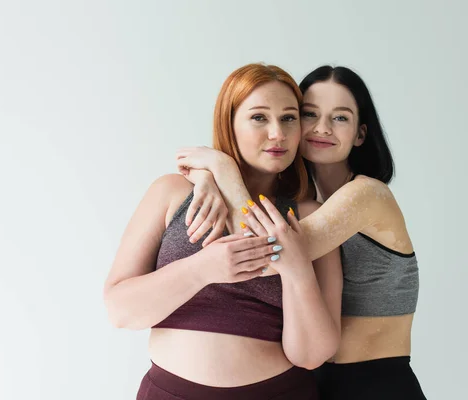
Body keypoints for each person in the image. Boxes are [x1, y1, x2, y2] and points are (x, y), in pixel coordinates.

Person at [176, 65, 427, 399]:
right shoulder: (308, 203)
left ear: (360, 134)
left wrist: (221, 167)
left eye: (340, 118)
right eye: (309, 114)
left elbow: (261, 255)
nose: (322, 128)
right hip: (316, 382)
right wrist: (205, 177)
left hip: (375, 383)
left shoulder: (368, 195)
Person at [103, 63, 341, 400]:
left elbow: (314, 355)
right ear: (229, 123)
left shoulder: (309, 217)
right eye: (259, 117)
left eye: (289, 118)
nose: (278, 133)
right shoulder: (172, 192)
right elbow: (120, 311)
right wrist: (203, 268)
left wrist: (297, 269)